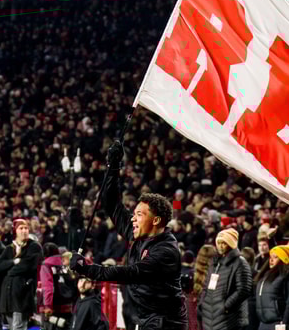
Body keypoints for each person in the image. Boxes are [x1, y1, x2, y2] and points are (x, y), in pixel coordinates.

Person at [69, 140, 188, 330]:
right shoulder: (138, 236)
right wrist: (113, 167)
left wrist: (88, 269)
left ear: (156, 220)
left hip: (165, 324)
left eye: (139, 214)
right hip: (144, 321)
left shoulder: (166, 251)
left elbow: (130, 273)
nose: (133, 219)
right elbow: (112, 204)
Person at [198, 228, 252, 330]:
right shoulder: (215, 262)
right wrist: (202, 304)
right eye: (218, 243)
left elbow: (244, 289)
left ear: (231, 244)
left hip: (229, 319)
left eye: (224, 243)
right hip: (210, 317)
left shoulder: (240, 262)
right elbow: (206, 287)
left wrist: (226, 306)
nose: (220, 246)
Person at [0, 218, 43, 330]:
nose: (24, 231)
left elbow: (27, 265)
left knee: (18, 327)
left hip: (22, 295)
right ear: (15, 231)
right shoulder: (10, 248)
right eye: (21, 228)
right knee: (11, 327)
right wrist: (14, 261)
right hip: (7, 296)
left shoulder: (34, 246)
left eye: (26, 228)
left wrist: (9, 271)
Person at [254, 244, 289, 330]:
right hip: (264, 323)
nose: (271, 260)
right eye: (270, 257)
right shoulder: (266, 275)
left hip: (280, 324)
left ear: (283, 259)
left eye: (275, 257)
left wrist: (284, 323)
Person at [39, 244, 77, 325]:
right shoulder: (66, 263)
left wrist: (48, 305)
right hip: (68, 304)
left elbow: (48, 287)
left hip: (53, 307)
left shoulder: (46, 264)